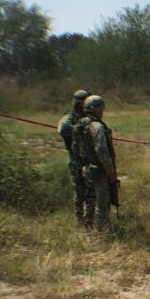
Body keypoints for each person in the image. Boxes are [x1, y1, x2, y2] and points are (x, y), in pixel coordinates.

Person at [72, 94, 118, 231]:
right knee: (103, 202)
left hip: (86, 169)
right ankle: (101, 231)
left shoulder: (79, 125)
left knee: (90, 199)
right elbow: (102, 151)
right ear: (97, 109)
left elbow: (75, 148)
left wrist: (80, 167)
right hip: (99, 170)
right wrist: (111, 173)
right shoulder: (97, 127)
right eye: (101, 108)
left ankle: (88, 227)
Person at [57, 89, 92, 227]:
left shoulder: (85, 116)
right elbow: (63, 128)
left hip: (87, 159)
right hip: (76, 160)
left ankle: (89, 219)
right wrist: (79, 131)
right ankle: (79, 219)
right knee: (79, 190)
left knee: (90, 190)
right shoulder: (71, 116)